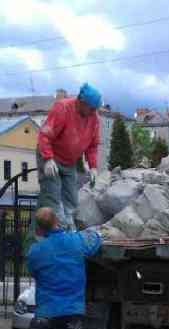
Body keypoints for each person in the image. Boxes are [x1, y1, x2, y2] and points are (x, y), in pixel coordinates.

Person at [37, 83, 102, 231]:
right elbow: (45, 135)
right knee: (53, 199)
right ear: (81, 101)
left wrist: (93, 167)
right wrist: (47, 159)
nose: (93, 112)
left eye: (95, 109)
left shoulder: (93, 118)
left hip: (69, 162)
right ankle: (61, 234)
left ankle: (69, 229)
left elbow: (92, 145)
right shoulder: (63, 108)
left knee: (71, 199)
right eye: (92, 108)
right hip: (51, 158)